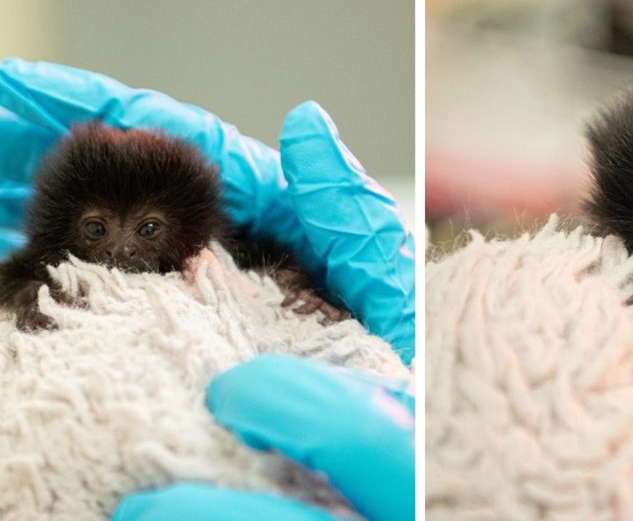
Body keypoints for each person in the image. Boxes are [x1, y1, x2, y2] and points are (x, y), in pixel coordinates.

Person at [0, 58, 415, 521]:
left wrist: (299, 288)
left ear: (191, 226)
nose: (120, 248)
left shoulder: (224, 257)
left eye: (149, 228)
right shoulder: (38, 266)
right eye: (97, 229)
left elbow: (269, 276)